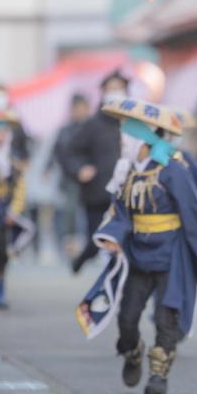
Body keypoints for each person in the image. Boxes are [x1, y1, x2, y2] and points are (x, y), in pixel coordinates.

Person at [76, 96, 197, 394]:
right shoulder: (127, 172)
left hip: (171, 253)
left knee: (166, 314)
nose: (123, 141)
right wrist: (113, 236)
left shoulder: (173, 169)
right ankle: (132, 353)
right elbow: (120, 211)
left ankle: (159, 373)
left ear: (141, 139)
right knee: (127, 317)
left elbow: (193, 211)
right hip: (137, 254)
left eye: (127, 135)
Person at [65, 71, 129, 273]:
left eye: (118, 88)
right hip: (97, 194)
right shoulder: (92, 124)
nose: (115, 93)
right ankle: (83, 258)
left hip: (126, 194)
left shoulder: (132, 123)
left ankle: (112, 283)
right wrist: (79, 169)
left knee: (120, 242)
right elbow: (70, 152)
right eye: (110, 89)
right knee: (97, 240)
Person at [0, 108, 34, 309]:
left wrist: (14, 210)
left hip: (3, 207)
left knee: (2, 250)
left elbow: (20, 187)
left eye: (2, 132)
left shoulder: (12, 159)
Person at [50, 93, 90, 256]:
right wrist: (76, 170)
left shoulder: (93, 128)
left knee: (86, 213)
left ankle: (85, 243)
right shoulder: (65, 130)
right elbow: (59, 153)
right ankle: (67, 243)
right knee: (69, 211)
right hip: (70, 179)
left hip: (91, 179)